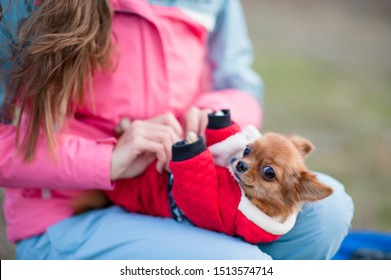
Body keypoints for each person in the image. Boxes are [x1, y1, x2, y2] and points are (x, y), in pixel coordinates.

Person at [0, 0, 354, 260]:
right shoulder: (21, 8)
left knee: (328, 210)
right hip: (70, 214)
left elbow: (239, 83)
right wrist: (106, 159)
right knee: (238, 266)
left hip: (186, 195)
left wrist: (211, 114)